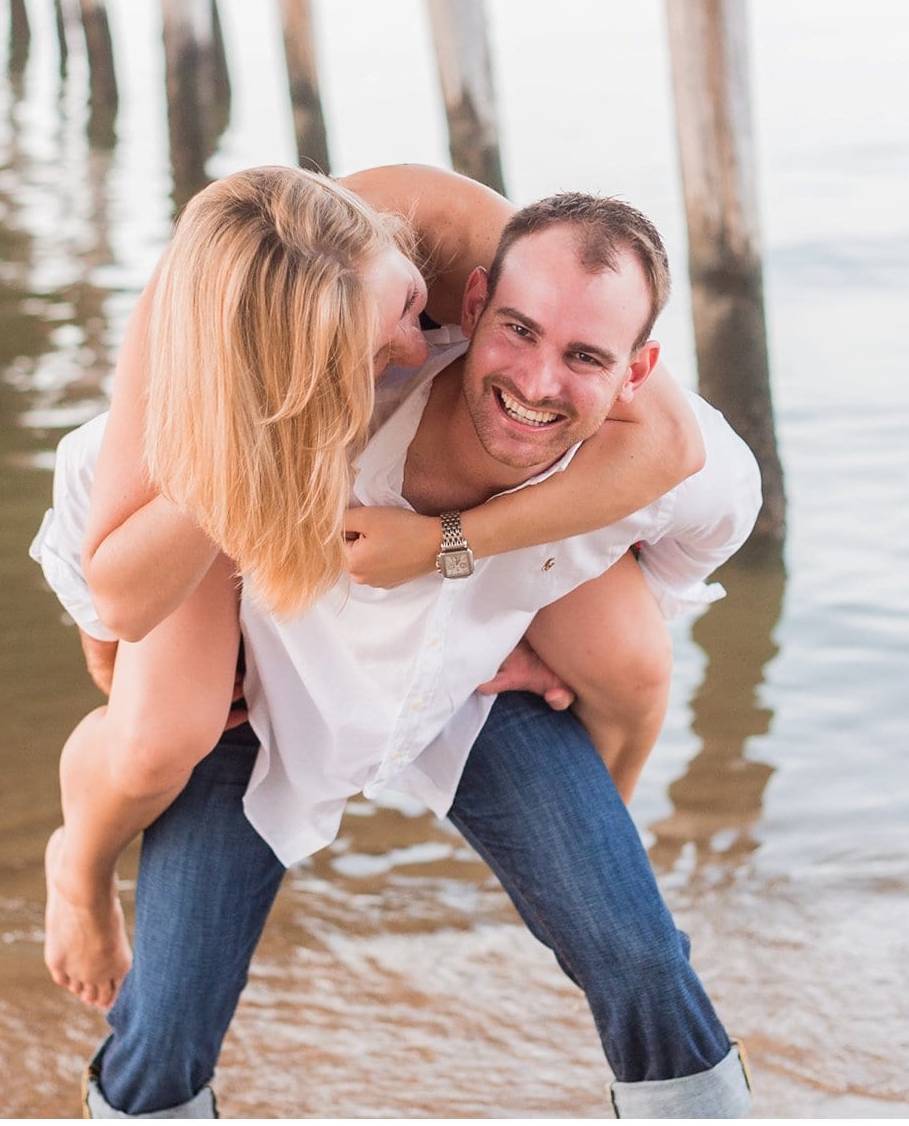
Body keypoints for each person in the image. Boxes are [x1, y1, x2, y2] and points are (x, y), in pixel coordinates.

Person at [44, 190, 762, 1117]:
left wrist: (551, 611)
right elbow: (90, 495)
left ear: (637, 372)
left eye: (586, 356)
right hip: (256, 707)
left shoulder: (651, 463)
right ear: (474, 306)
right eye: (517, 333)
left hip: (466, 695)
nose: (540, 381)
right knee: (168, 1021)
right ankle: (79, 871)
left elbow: (680, 544)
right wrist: (110, 648)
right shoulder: (299, 401)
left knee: (639, 953)